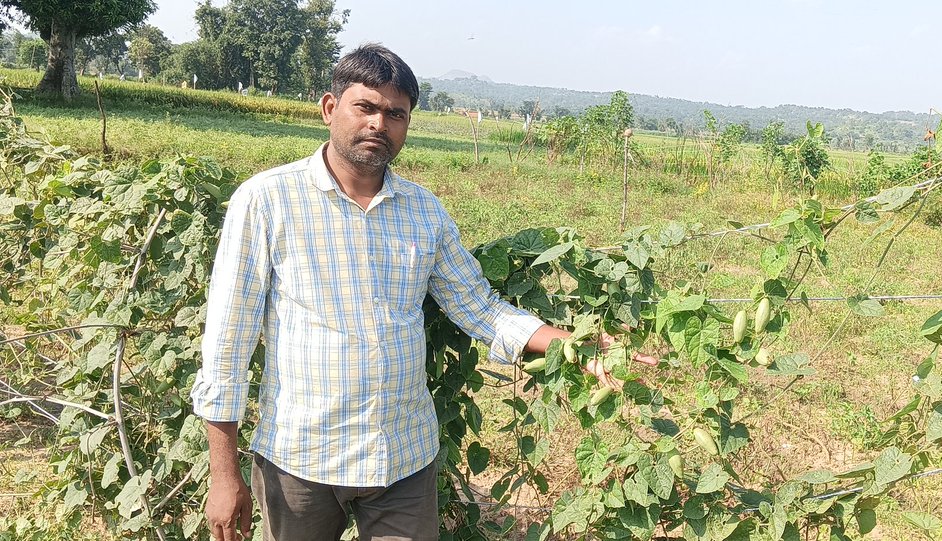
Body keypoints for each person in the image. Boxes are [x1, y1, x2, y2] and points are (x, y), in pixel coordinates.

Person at [191, 43, 655, 541]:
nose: (379, 124)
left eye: (396, 113)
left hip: (402, 457)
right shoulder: (266, 201)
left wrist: (569, 342)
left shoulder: (423, 211)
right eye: (365, 107)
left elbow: (480, 308)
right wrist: (224, 474)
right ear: (330, 108)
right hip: (300, 456)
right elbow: (227, 344)